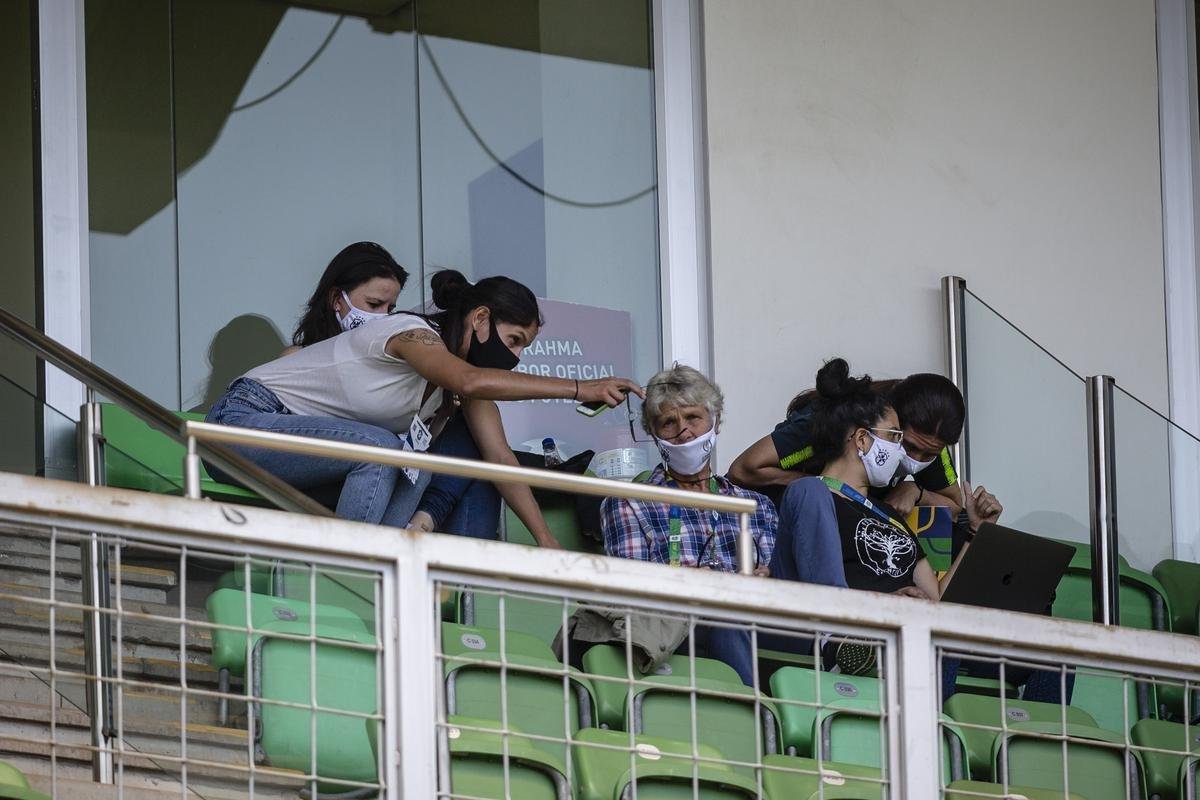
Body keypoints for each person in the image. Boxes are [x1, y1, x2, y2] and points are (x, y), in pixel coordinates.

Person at [205, 269, 641, 546]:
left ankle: (383, 581)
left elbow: (502, 460)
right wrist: (580, 387)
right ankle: (342, 576)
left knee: (419, 467)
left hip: (314, 458)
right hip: (242, 423)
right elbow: (468, 379)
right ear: (480, 318)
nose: (516, 357)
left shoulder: (461, 382)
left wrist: (547, 542)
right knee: (383, 452)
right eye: (513, 341)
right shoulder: (412, 333)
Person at [768, 359, 1001, 696]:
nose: (904, 453)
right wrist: (881, 604)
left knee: (1045, 655)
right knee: (809, 490)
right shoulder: (809, 495)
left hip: (906, 638)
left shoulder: (892, 514)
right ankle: (840, 637)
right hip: (847, 637)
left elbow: (940, 599)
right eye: (895, 438)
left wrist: (978, 533)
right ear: (862, 440)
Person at [597, 365, 777, 685]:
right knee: (725, 611)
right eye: (669, 422)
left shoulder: (756, 505)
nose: (684, 431)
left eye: (693, 417)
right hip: (681, 633)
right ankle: (756, 718)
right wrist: (682, 584)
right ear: (654, 434)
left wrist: (766, 577)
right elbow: (632, 592)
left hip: (760, 625)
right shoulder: (629, 502)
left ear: (715, 422)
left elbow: (776, 582)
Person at [729, 372, 966, 515]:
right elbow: (742, 470)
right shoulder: (834, 421)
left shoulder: (930, 439)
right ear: (890, 419)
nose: (915, 459)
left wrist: (915, 491)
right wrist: (824, 487)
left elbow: (955, 506)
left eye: (928, 454)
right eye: (907, 445)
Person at [282, 241, 409, 357]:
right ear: (336, 299)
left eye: (390, 309)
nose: (383, 316)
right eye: (373, 304)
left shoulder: (393, 358)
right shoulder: (298, 357)